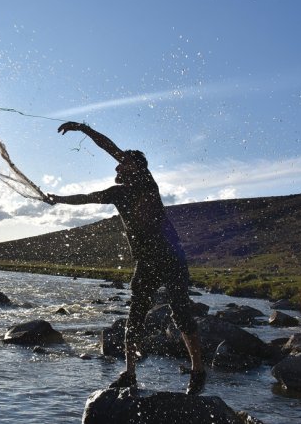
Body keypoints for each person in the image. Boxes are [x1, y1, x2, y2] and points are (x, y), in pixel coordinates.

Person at [45, 121, 206, 395]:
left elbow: (110, 148)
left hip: (171, 258)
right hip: (145, 263)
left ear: (137, 166)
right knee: (135, 318)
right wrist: (59, 199)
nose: (117, 167)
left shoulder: (145, 181)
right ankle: (130, 374)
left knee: (181, 313)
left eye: (123, 163)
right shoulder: (116, 193)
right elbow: (85, 197)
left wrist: (84, 129)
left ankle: (198, 371)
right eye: (119, 164)